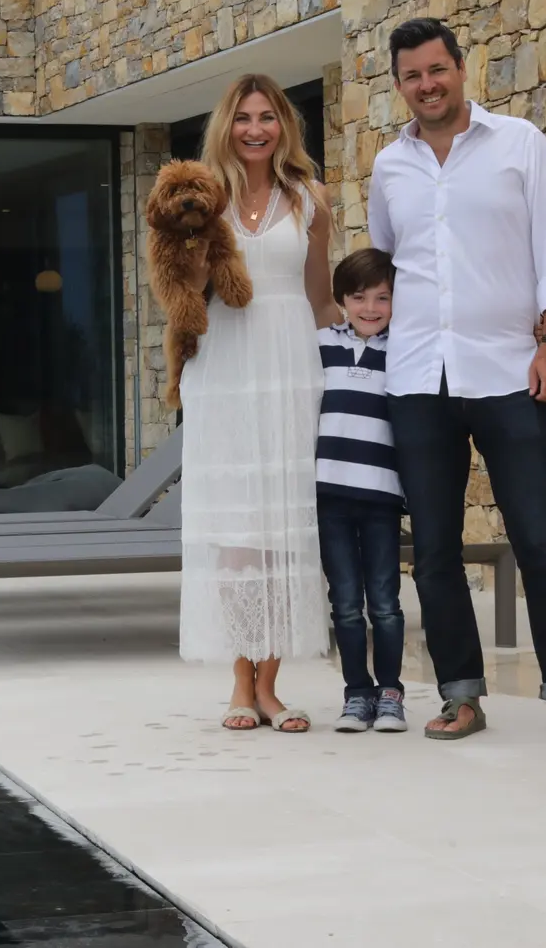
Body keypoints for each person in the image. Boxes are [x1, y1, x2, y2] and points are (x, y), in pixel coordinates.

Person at [368, 17, 546, 744]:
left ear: (460, 68)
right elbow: (387, 268)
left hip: (509, 370)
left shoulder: (519, 145)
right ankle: (461, 697)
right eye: (412, 75)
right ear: (399, 84)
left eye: (437, 69)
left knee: (539, 537)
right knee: (436, 549)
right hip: (417, 377)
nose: (427, 85)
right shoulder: (390, 168)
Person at [176, 73, 335, 733]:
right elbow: (177, 285)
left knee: (283, 536)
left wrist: (356, 363)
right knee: (236, 539)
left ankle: (271, 686)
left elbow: (321, 296)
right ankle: (239, 683)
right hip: (226, 370)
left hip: (293, 368)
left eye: (267, 117)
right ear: (226, 125)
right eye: (243, 117)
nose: (255, 129)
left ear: (284, 126)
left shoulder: (310, 199)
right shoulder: (201, 200)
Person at [315, 248, 408, 733]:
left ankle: (390, 692)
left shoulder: (404, 350)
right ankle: (357, 693)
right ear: (341, 300)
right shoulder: (320, 345)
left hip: (381, 496)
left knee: (386, 602)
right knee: (346, 604)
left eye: (382, 297)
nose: (370, 307)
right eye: (359, 297)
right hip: (329, 494)